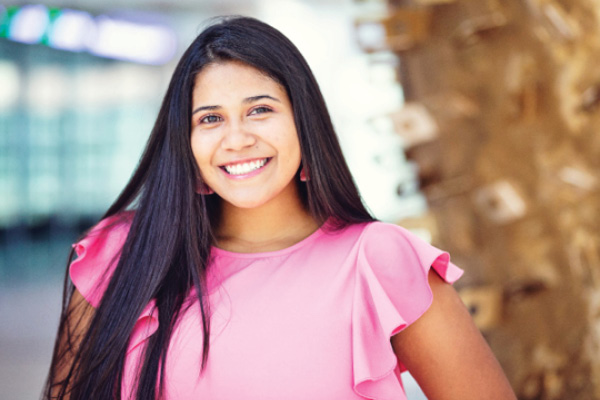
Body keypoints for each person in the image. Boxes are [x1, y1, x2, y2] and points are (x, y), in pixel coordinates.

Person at [45, 16, 516, 400]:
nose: (237, 138)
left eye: (260, 110)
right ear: (185, 143)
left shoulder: (377, 261)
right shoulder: (121, 253)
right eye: (210, 118)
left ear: (303, 124)